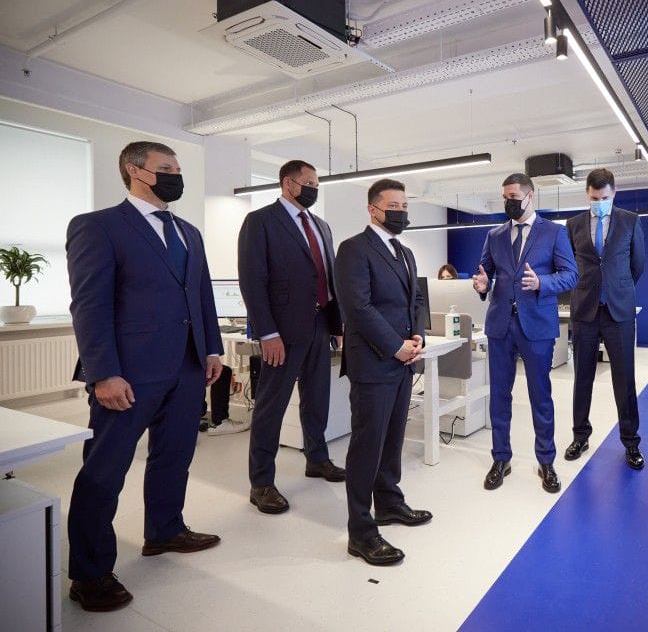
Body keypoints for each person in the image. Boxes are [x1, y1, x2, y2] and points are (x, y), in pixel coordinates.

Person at [65, 141, 223, 612]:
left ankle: (165, 530)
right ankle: (90, 573)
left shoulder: (189, 232)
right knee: (104, 472)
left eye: (178, 168)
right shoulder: (98, 226)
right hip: (128, 373)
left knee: (174, 457)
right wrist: (103, 374)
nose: (176, 175)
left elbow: (202, 295)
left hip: (188, 367)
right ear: (136, 171)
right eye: (166, 168)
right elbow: (89, 305)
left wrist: (212, 348)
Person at [333, 178, 432, 566]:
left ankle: (389, 503)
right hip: (374, 362)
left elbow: (416, 299)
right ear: (373, 209)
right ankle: (361, 532)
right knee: (367, 445)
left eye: (405, 206)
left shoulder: (404, 252)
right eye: (394, 206)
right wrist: (395, 345)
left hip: (403, 361)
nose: (401, 213)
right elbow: (357, 307)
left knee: (392, 439)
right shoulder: (354, 249)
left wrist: (418, 335)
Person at [237, 160, 345, 515]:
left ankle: (317, 458)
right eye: (308, 183)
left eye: (317, 184)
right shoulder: (261, 221)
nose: (314, 188)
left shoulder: (321, 226)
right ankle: (261, 483)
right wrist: (267, 332)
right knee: (272, 406)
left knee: (317, 398)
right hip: (281, 332)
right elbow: (253, 281)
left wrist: (338, 326)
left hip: (320, 324)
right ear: (288, 183)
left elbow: (329, 279)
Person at [472, 173, 578, 493]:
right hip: (500, 325)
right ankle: (500, 458)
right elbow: (485, 274)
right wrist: (481, 285)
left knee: (540, 395)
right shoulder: (494, 235)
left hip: (537, 326)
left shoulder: (554, 233)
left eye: (514, 197)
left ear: (530, 196)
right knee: (499, 395)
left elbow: (571, 275)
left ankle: (546, 461)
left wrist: (543, 282)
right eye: (505, 197)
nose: (509, 202)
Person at [564, 168, 646, 469]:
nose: (599, 203)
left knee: (624, 379)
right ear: (587, 194)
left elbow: (637, 265)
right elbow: (568, 265)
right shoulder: (573, 225)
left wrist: (617, 289)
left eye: (605, 198)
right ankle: (580, 436)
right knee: (582, 377)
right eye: (594, 198)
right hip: (584, 311)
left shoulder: (630, 221)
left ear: (614, 193)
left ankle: (631, 442)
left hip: (618, 312)